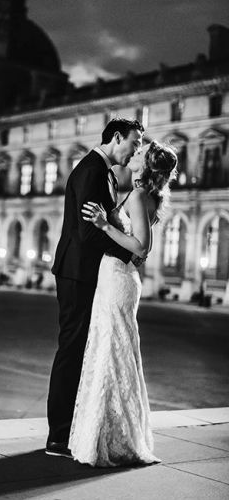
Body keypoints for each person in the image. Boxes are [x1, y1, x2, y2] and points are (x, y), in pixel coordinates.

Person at [70, 140, 177, 467]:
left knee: (112, 353)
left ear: (147, 165)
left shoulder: (140, 195)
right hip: (115, 276)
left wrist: (104, 224)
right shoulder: (139, 195)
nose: (134, 154)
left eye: (140, 153)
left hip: (118, 279)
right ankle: (110, 434)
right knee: (112, 352)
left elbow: (142, 247)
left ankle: (112, 438)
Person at [46, 118, 144, 458]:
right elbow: (88, 233)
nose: (135, 152)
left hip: (84, 272)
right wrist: (128, 251)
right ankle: (58, 435)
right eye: (134, 143)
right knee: (71, 350)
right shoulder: (90, 171)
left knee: (77, 350)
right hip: (77, 273)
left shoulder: (98, 171)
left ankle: (69, 430)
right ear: (116, 137)